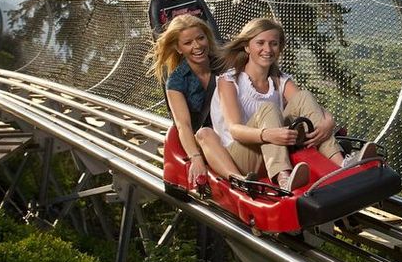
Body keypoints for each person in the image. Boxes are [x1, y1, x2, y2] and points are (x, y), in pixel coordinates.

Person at [210, 17, 354, 191]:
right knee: (268, 109)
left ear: (279, 49)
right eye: (260, 43)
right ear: (247, 47)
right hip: (241, 156)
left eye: (274, 44)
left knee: (303, 96)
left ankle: (340, 163)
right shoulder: (229, 81)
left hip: (274, 148)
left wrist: (329, 122)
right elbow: (235, 129)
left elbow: (309, 107)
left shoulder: (280, 80)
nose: (267, 49)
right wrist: (267, 135)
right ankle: (283, 178)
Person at [148, 14, 248, 188]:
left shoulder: (225, 64)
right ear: (179, 48)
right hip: (208, 139)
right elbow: (183, 125)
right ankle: (240, 182)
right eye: (188, 43)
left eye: (200, 38)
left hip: (234, 128)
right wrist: (195, 158)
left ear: (207, 38)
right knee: (205, 134)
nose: (197, 46)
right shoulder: (177, 81)